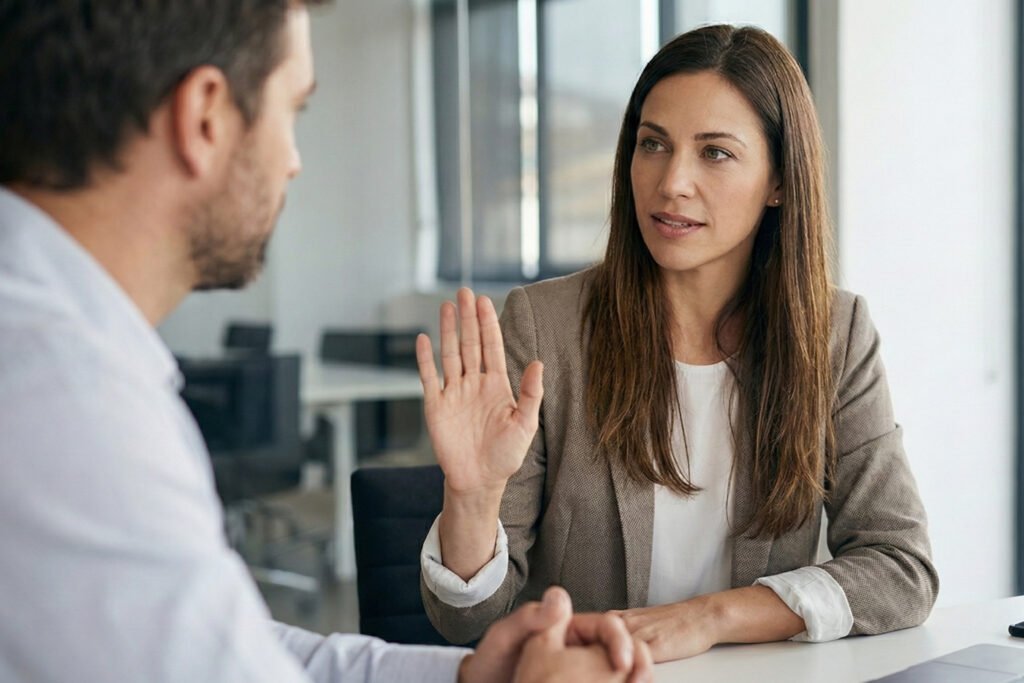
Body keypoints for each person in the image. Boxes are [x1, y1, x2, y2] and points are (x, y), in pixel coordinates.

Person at [0, 2, 654, 682]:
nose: (293, 162)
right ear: (204, 117)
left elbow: (240, 647)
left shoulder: (62, 354)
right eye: (294, 111)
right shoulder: (62, 402)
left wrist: (466, 678)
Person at [417, 24, 939, 662]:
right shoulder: (544, 327)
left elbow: (901, 569)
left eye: (715, 152)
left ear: (778, 181)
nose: (671, 183)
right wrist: (470, 499)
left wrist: (711, 617)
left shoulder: (834, 334)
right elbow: (465, 619)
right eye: (653, 144)